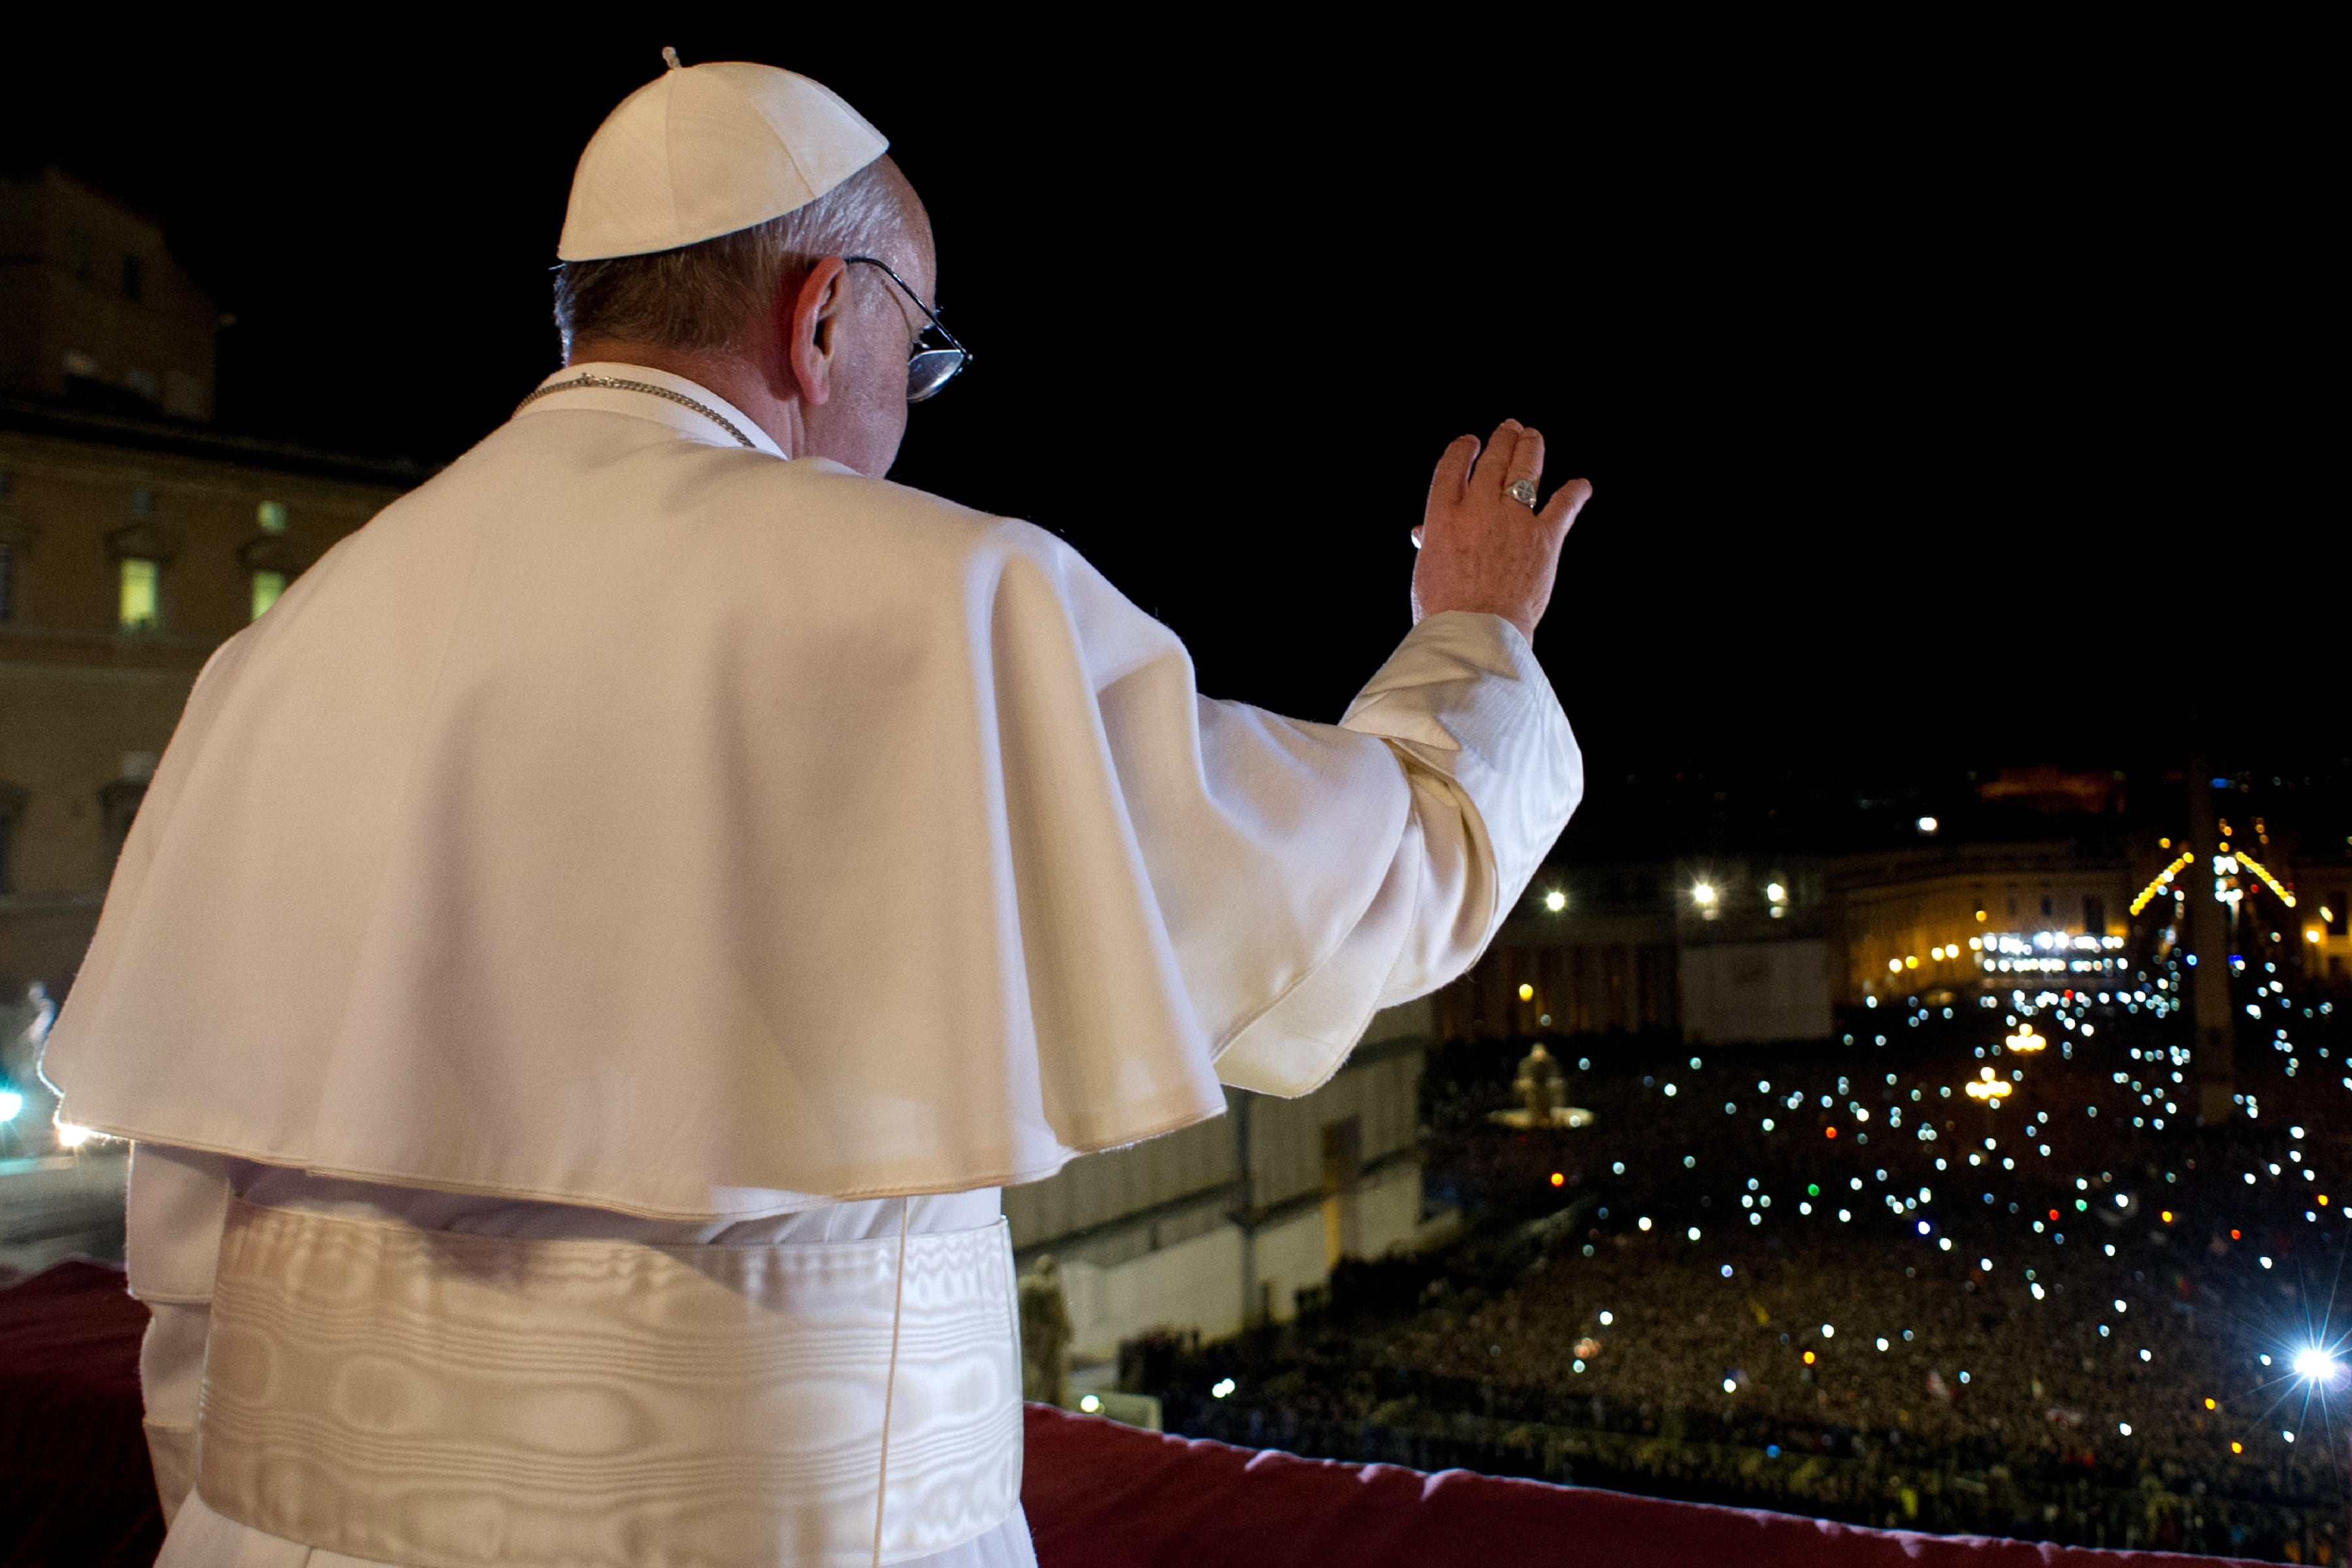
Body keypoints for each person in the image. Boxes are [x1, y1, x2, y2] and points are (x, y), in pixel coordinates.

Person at [40, 54, 1586, 1568]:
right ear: (825, 310)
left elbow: (192, 1261)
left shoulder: (286, 641)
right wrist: (1475, 638)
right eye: (912, 352)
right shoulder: (947, 599)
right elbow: (1373, 883)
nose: (904, 407)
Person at [1017, 1254, 1073, 1408]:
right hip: (1047, 1346)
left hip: (1031, 1345)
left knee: (1034, 1382)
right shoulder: (1049, 1290)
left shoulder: (1024, 1287)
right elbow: (1061, 1320)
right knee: (1049, 1384)